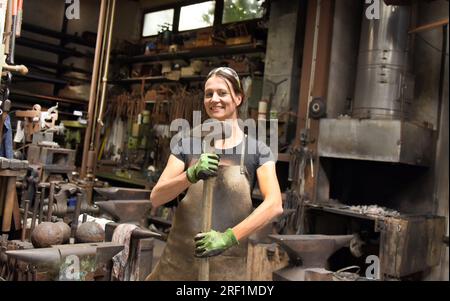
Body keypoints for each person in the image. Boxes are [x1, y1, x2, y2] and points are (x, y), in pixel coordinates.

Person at [146, 67, 283, 280]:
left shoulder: (257, 151)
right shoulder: (187, 144)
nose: (214, 99)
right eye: (209, 94)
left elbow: (274, 205)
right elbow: (157, 197)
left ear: (238, 98)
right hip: (177, 266)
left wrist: (228, 238)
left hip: (227, 271)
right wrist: (190, 175)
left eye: (222, 93)